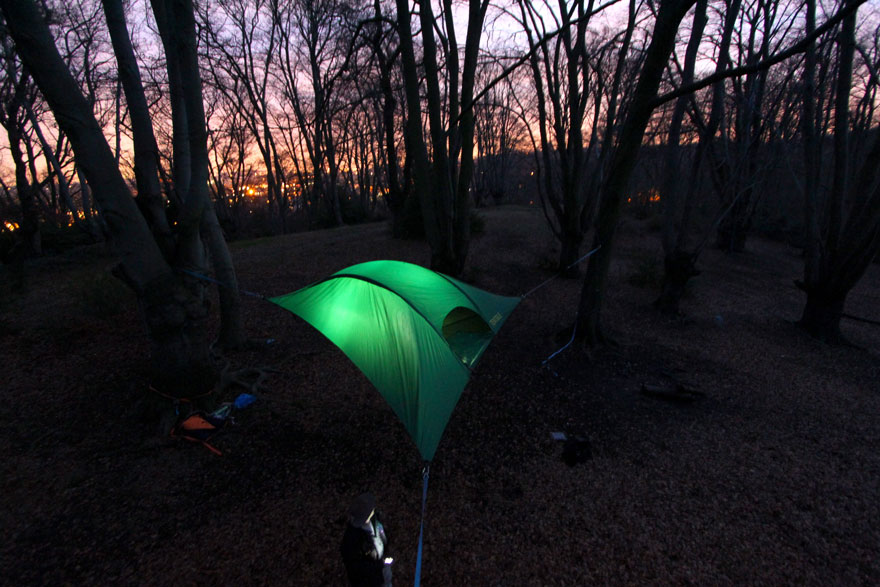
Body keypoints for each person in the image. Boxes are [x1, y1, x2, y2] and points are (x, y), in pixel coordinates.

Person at [340, 492, 393, 586]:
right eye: (370, 510)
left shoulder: (375, 520)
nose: (373, 511)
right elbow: (356, 569)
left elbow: (383, 535)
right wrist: (379, 566)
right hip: (370, 581)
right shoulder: (351, 541)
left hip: (383, 571)